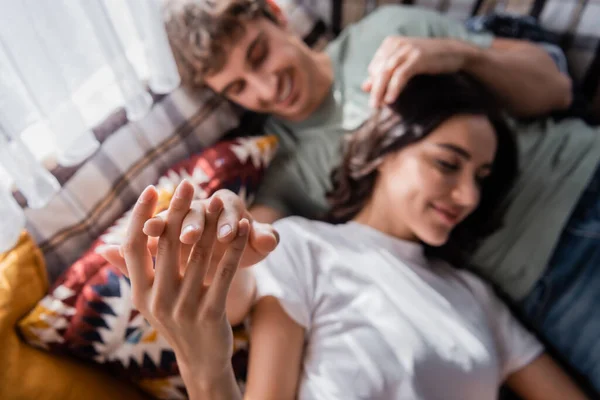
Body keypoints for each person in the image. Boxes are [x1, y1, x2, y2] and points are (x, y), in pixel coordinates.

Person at [101, 0, 600, 393]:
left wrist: (463, 54)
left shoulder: (385, 32)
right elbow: (247, 286)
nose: (265, 86)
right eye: (238, 88)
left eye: (258, 54)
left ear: (276, 16)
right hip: (546, 281)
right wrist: (211, 249)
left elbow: (554, 89)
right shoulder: (288, 170)